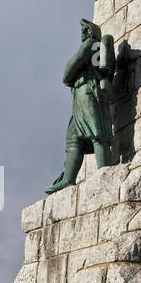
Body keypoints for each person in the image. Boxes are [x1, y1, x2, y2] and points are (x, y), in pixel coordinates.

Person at [45, 19, 115, 194]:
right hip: (80, 94)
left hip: (88, 92)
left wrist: (69, 75)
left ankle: (104, 170)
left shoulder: (90, 45)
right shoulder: (95, 48)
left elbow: (68, 71)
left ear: (92, 33)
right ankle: (68, 179)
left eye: (85, 30)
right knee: (74, 138)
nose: (82, 34)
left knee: (97, 132)